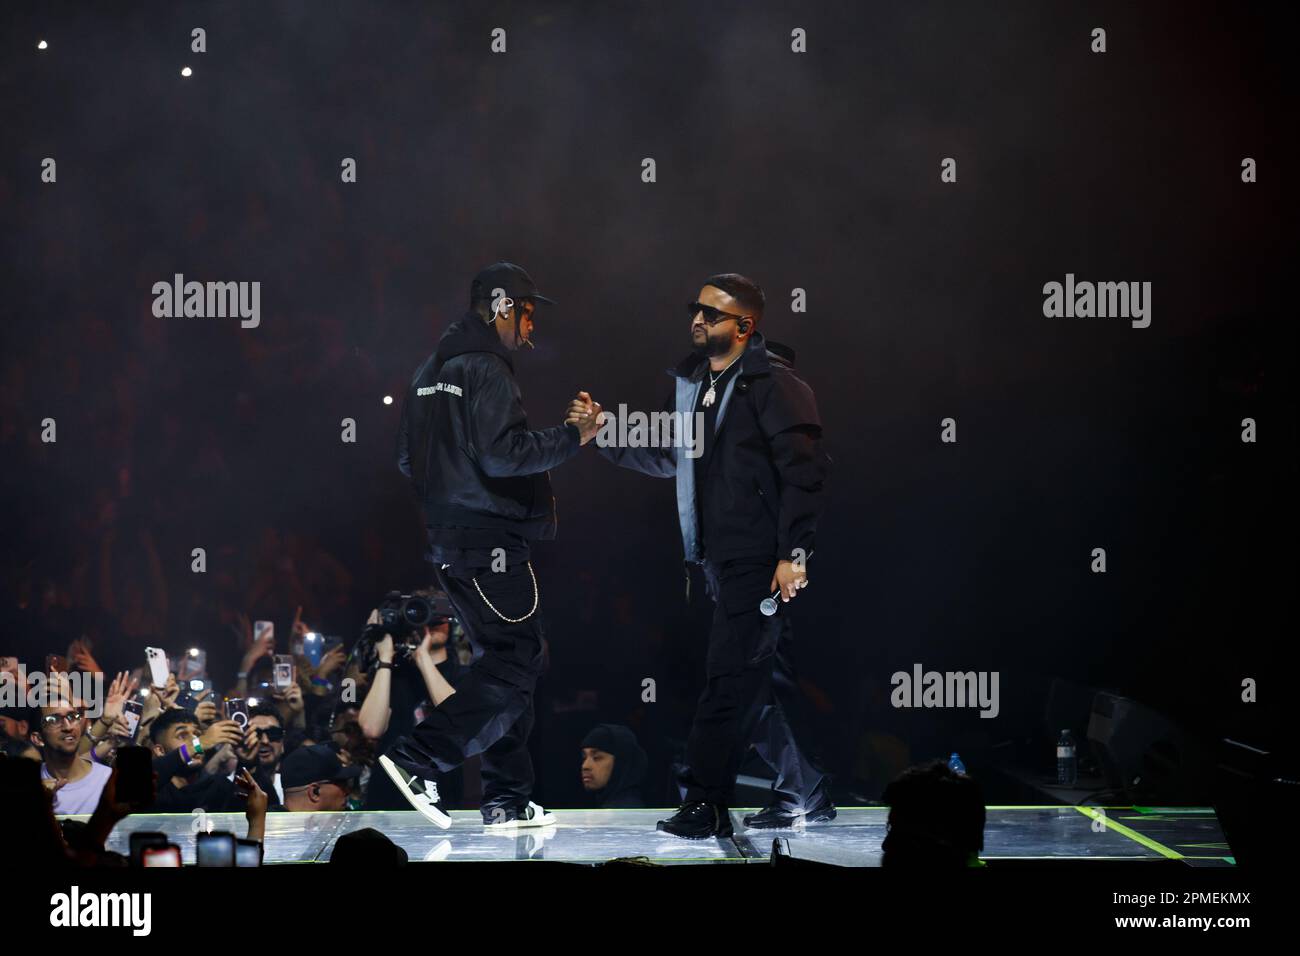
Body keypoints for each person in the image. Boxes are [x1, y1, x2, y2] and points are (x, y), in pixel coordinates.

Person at [571, 273, 834, 838]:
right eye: (695, 309)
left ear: (744, 326)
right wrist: (604, 433)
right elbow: (669, 456)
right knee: (764, 684)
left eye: (712, 313)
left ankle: (707, 801)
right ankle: (807, 790)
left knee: (728, 680)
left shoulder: (775, 384)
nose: (697, 319)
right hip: (717, 561)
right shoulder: (693, 387)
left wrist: (794, 552)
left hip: (758, 560)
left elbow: (805, 475)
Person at [380, 262, 601, 829]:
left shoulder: (428, 369)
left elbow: (408, 460)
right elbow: (505, 455)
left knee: (501, 663)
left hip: (448, 542)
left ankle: (506, 797)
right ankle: (419, 758)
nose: (531, 328)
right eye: (528, 313)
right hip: (489, 541)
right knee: (516, 659)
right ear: (503, 307)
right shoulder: (487, 368)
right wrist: (572, 436)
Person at [358, 592, 465, 810]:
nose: (432, 622)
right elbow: (371, 728)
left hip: (442, 786)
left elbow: (457, 716)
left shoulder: (462, 674)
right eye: (423, 612)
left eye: (439, 615)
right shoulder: (393, 674)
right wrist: (385, 659)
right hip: (389, 789)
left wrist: (423, 658)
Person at [32, 701, 112, 814]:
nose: (68, 727)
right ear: (38, 739)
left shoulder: (108, 780)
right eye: (53, 720)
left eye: (72, 717)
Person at [580, 723, 647, 808]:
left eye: (597, 757)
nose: (585, 766)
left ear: (620, 763)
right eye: (584, 758)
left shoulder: (625, 812)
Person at [281, 743, 361, 811]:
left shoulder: (270, 823)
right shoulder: (271, 828)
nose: (348, 791)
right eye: (341, 783)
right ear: (315, 792)